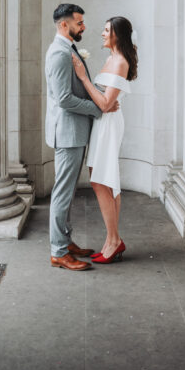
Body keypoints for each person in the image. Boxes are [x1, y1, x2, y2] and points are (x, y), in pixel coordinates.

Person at [45, 3, 119, 272]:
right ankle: (58, 252)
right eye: (79, 22)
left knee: (67, 192)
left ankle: (65, 241)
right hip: (67, 133)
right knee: (62, 194)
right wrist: (98, 108)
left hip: (73, 131)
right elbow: (64, 99)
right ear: (64, 25)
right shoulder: (59, 53)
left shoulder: (68, 48)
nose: (84, 26)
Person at [72, 16, 138, 264]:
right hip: (104, 123)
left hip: (109, 125)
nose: (101, 33)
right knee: (105, 179)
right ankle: (111, 240)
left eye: (106, 30)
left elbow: (105, 103)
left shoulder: (119, 61)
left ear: (117, 35)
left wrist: (83, 78)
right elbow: (104, 101)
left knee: (101, 179)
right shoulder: (111, 58)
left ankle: (114, 240)